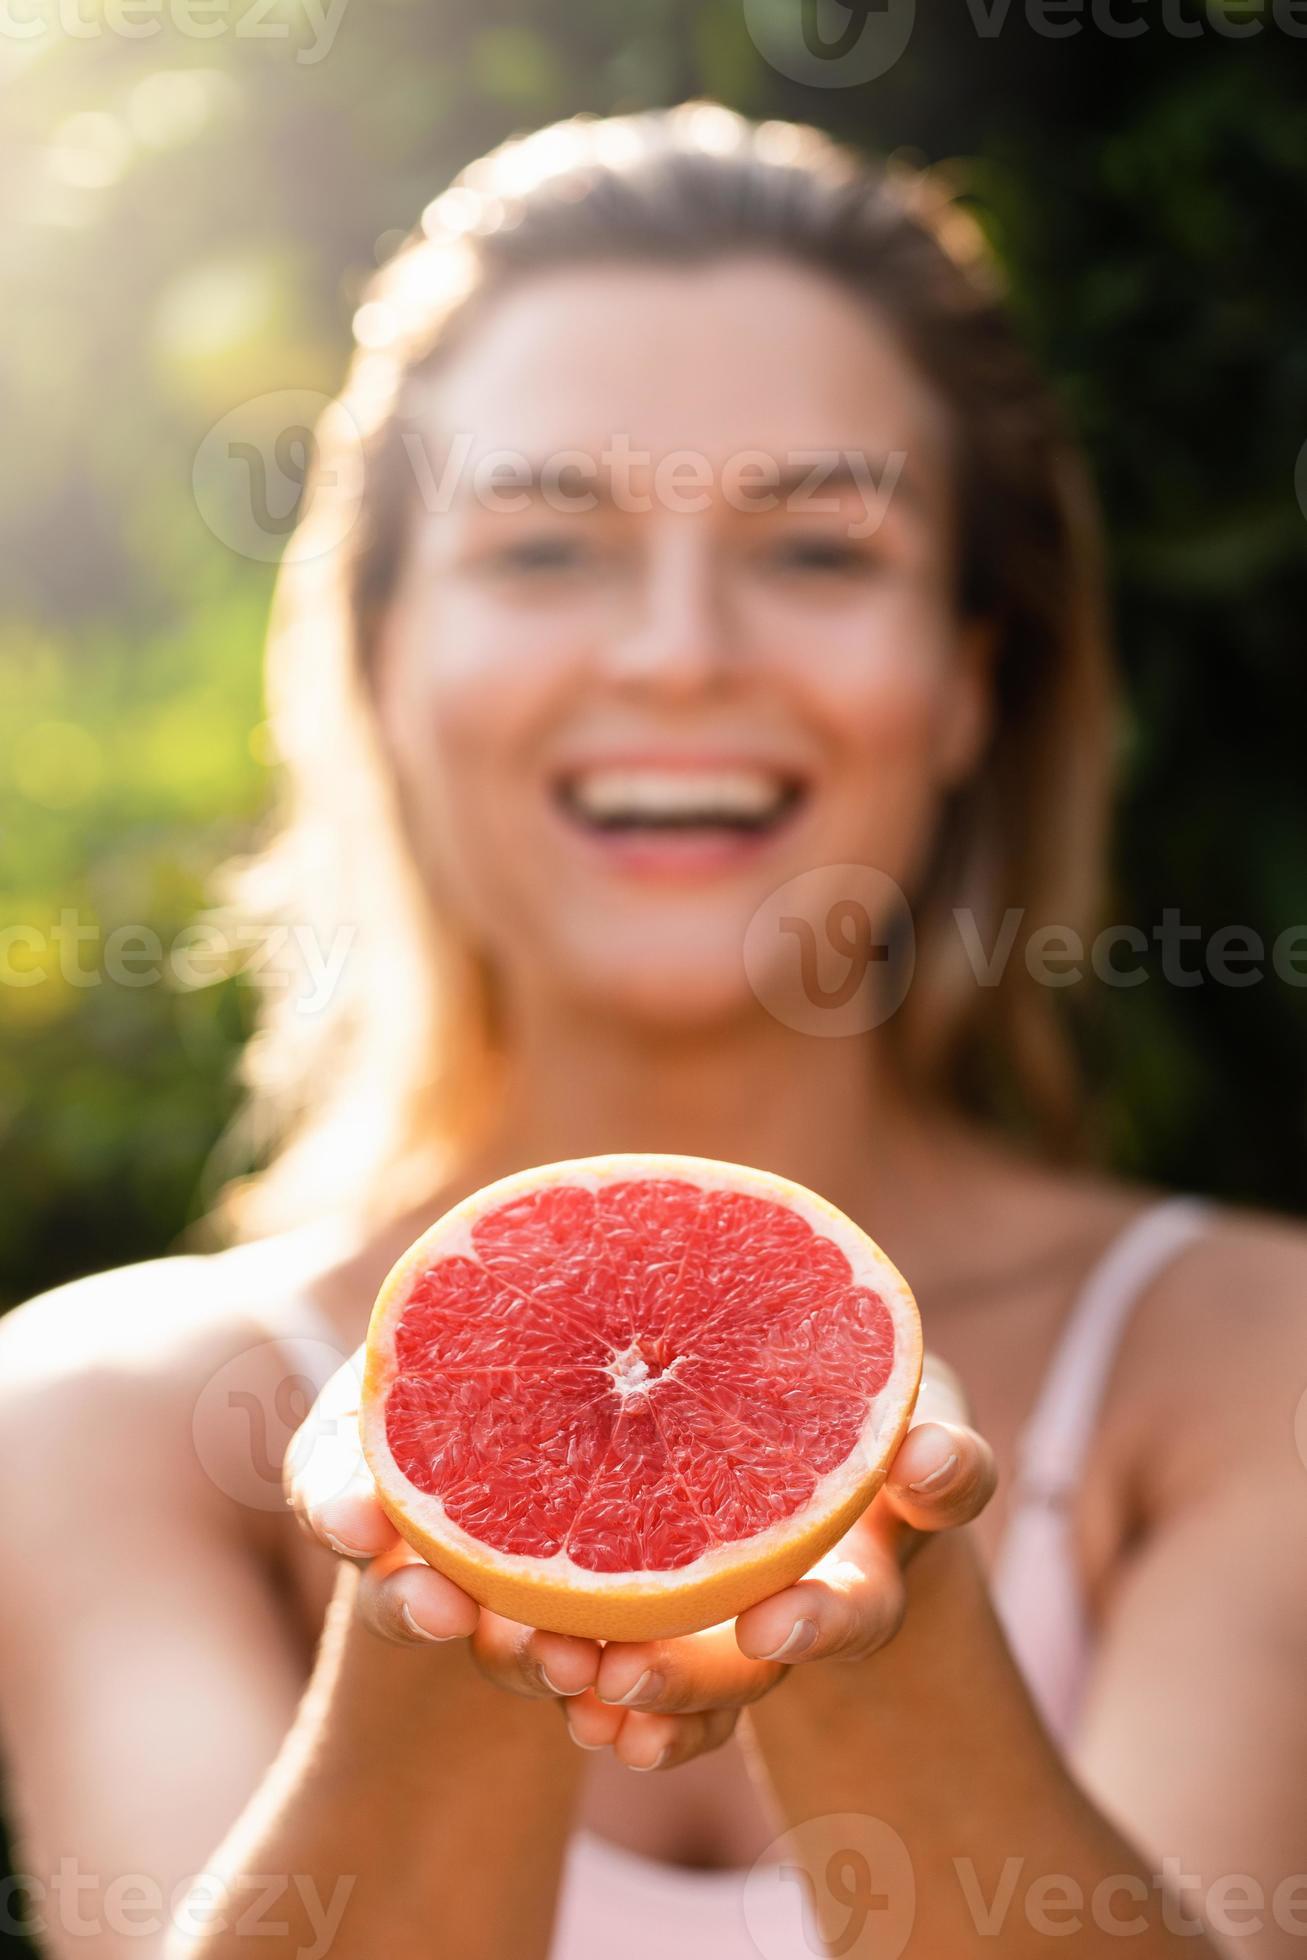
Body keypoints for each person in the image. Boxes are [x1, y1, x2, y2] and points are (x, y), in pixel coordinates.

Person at [0, 100, 1303, 1960]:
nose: (680, 653)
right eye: (545, 550)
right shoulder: (98, 1425)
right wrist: (446, 1589)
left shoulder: (1261, 1373)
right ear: (381, 661)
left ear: (966, 679)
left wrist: (879, 1621)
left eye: (818, 551)